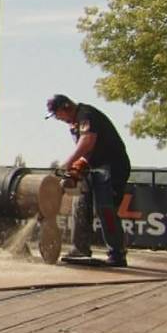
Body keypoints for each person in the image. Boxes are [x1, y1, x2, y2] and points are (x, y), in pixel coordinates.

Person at [45, 93, 131, 267]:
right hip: (93, 165)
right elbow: (87, 153)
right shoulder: (74, 124)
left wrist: (66, 165)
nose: (58, 119)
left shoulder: (86, 115)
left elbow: (87, 142)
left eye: (57, 114)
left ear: (66, 107)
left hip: (111, 166)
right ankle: (80, 249)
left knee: (105, 208)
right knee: (80, 204)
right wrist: (75, 169)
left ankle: (117, 254)